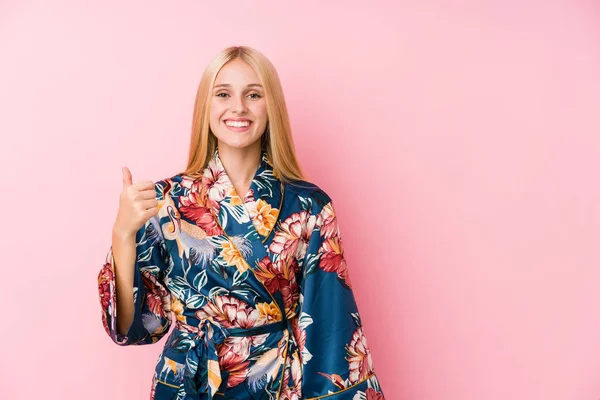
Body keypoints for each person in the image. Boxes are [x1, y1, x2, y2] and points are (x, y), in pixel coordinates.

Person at [97, 45, 386, 400]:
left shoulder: (310, 205)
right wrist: (123, 233)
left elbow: (329, 322)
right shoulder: (165, 201)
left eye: (253, 95)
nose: (238, 108)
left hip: (275, 383)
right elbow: (135, 325)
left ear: (271, 107)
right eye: (223, 94)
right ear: (206, 106)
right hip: (190, 381)